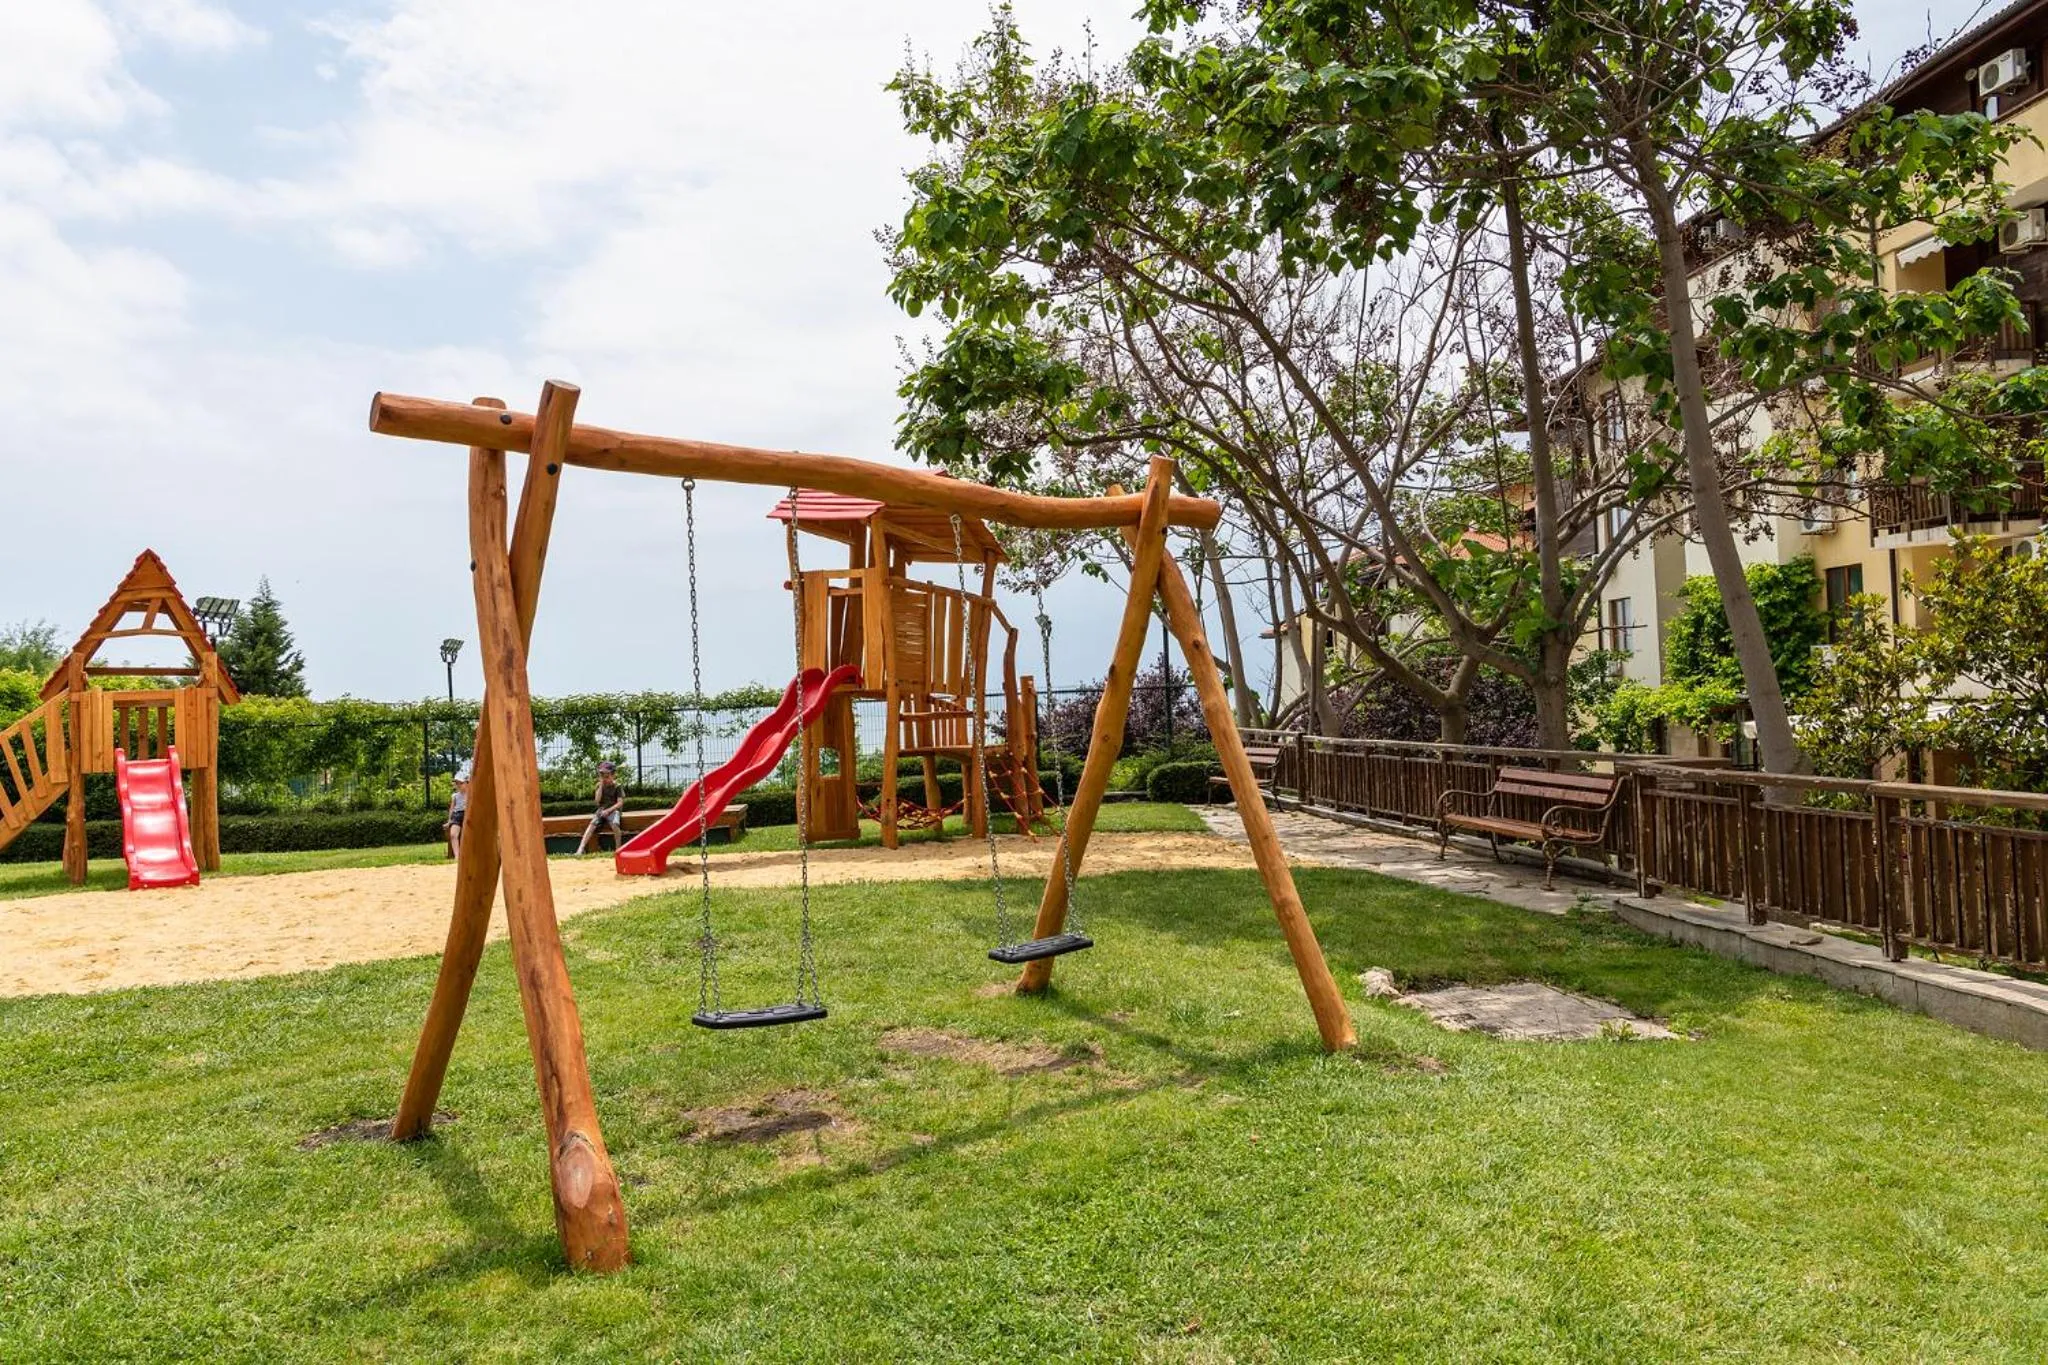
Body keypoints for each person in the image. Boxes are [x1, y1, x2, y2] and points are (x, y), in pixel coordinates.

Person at [577, 760, 626, 854]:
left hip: (613, 810)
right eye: (602, 775)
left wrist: (609, 811)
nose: (605, 778)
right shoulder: (599, 785)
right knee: (592, 825)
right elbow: (597, 801)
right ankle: (580, 848)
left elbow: (620, 803)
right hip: (602, 810)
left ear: (613, 775)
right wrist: (600, 786)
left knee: (615, 825)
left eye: (607, 775)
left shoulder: (617, 786)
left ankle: (618, 849)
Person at [446, 760, 472, 859]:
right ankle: (457, 856)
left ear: (467, 783)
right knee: (453, 834)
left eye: (460, 783)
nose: (458, 785)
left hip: (468, 814)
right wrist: (449, 821)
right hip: (457, 815)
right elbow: (452, 809)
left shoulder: (471, 794)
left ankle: (470, 854)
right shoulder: (455, 796)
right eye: (456, 783)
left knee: (469, 835)